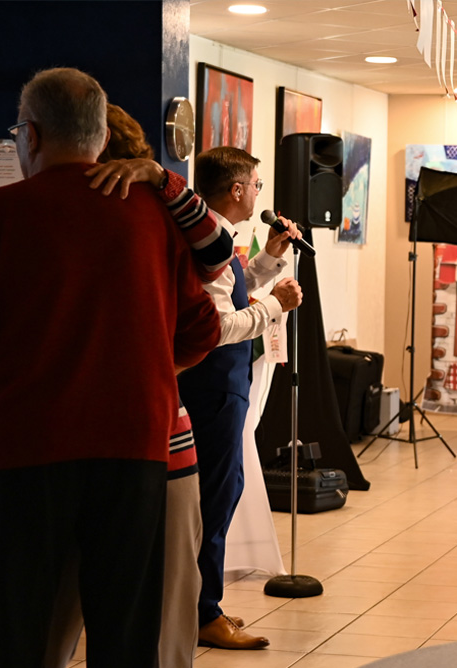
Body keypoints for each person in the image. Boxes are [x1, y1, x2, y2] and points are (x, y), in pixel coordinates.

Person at [0, 67, 220, 667]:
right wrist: (144, 365)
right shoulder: (154, 215)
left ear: (31, 135)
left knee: (20, 627)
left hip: (25, 448)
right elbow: (204, 328)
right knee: (127, 628)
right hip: (134, 445)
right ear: (102, 135)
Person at [43, 103, 236, 668]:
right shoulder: (160, 223)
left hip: (56, 439)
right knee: (160, 612)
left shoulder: (23, 213)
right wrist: (158, 368)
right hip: (154, 436)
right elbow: (211, 291)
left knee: (49, 608)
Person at [181, 146, 303, 650]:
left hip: (223, 386)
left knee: (223, 489)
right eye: (256, 185)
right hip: (211, 387)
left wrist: (269, 259)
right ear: (236, 190)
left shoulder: (216, 237)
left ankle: (200, 603)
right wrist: (275, 305)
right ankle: (203, 612)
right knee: (213, 497)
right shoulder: (205, 241)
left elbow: (233, 290)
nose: (258, 193)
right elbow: (217, 327)